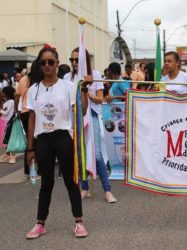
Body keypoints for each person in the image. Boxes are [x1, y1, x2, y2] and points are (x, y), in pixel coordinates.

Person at [25, 46, 89, 239]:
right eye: (43, 62)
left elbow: (82, 111)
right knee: (47, 183)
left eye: (50, 62)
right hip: (43, 139)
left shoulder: (68, 87)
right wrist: (30, 148)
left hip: (62, 137)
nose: (46, 66)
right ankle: (40, 224)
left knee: (71, 181)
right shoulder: (33, 89)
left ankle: (79, 222)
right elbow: (31, 119)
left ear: (56, 63)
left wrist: (84, 91)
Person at [64, 47, 117, 203]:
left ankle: (107, 190)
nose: (74, 62)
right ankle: (85, 188)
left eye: (77, 59)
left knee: (97, 154)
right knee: (80, 154)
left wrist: (88, 94)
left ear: (84, 60)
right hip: (75, 117)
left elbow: (101, 99)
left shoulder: (95, 75)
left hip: (92, 115)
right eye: (71, 59)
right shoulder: (67, 77)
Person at [15, 60, 42, 175]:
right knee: (38, 140)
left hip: (24, 112)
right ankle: (39, 169)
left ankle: (28, 169)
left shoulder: (24, 79)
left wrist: (16, 110)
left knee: (29, 141)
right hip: (36, 113)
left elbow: (17, 95)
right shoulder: (40, 81)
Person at [0, 86, 16, 163]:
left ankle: (12, 156)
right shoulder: (8, 101)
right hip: (4, 121)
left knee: (9, 139)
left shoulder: (11, 102)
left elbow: (5, 113)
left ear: (6, 93)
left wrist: (0, 110)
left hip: (7, 122)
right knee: (6, 139)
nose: (1, 93)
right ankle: (8, 154)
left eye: (2, 92)